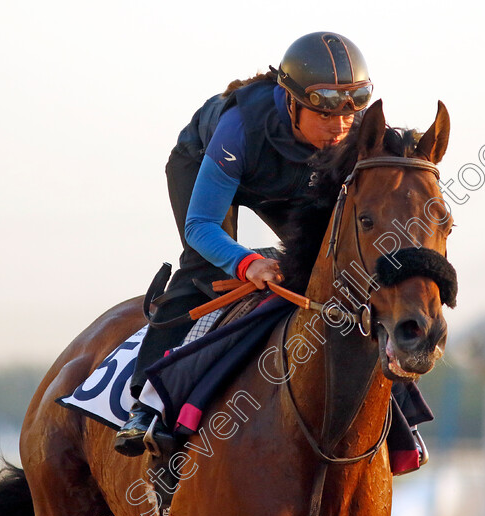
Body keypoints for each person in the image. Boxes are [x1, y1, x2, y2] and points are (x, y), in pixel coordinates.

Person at [114, 31, 373, 457]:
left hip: (293, 179)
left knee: (327, 264)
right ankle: (144, 403)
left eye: (348, 116)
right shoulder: (239, 127)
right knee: (204, 266)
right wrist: (245, 263)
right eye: (324, 115)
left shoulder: (351, 127)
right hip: (207, 161)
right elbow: (201, 226)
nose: (338, 128)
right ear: (291, 101)